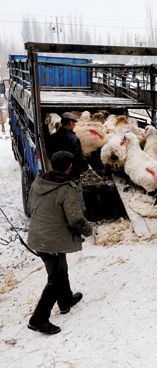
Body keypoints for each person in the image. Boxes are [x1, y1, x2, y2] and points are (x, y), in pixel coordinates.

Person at [27, 151, 93, 335]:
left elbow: (31, 205)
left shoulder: (39, 182)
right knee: (55, 278)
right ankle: (38, 320)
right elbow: (75, 219)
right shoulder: (66, 188)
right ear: (69, 167)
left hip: (40, 234)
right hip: (50, 239)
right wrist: (88, 230)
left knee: (60, 268)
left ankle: (65, 301)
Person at [46, 112, 88, 179]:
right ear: (70, 123)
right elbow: (78, 157)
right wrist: (85, 167)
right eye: (74, 123)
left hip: (56, 171)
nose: (75, 125)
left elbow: (49, 154)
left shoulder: (51, 137)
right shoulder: (74, 139)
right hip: (71, 173)